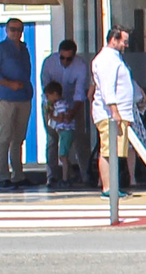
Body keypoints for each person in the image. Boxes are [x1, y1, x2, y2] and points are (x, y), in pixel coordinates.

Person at [0, 17, 34, 190]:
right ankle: (3, 176)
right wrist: (8, 83)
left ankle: (18, 174)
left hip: (24, 97)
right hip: (5, 97)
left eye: (19, 30)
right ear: (6, 30)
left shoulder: (24, 50)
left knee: (19, 138)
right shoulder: (0, 49)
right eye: (12, 29)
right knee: (5, 136)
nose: (16, 33)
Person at [90, 25, 139, 196]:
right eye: (124, 41)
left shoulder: (114, 58)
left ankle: (112, 186)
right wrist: (114, 112)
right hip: (109, 114)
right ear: (114, 40)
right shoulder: (106, 60)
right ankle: (108, 188)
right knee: (108, 150)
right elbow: (107, 87)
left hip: (118, 113)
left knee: (115, 151)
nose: (126, 45)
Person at [40, 38, 90, 186]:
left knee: (79, 139)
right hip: (51, 103)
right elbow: (46, 89)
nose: (65, 61)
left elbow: (80, 93)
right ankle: (52, 176)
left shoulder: (80, 66)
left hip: (73, 103)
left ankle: (84, 174)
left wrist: (71, 113)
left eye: (69, 58)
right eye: (62, 57)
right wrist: (53, 111)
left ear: (74, 56)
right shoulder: (49, 63)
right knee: (52, 140)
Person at [42, 80, 77, 188]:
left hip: (65, 131)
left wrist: (51, 116)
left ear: (55, 94)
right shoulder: (58, 104)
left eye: (48, 96)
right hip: (62, 132)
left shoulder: (60, 104)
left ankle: (65, 178)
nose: (47, 98)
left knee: (63, 156)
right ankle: (72, 174)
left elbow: (61, 118)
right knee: (63, 156)